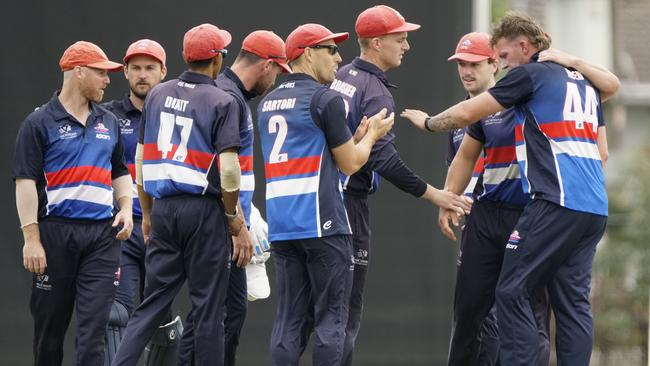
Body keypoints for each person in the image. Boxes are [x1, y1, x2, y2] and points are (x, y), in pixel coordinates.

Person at [402, 11, 619, 365]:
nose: (499, 64)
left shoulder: (529, 76)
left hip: (554, 202)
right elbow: (608, 117)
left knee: (512, 289)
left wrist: (427, 123)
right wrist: (574, 60)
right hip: (593, 207)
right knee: (573, 303)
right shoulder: (581, 83)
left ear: (524, 46)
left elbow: (465, 114)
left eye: (501, 56)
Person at [328, 6, 471, 364]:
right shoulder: (375, 92)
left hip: (324, 200)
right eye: (400, 38)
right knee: (344, 315)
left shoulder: (342, 74)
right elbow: (385, 161)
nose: (406, 46)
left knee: (318, 312)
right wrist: (434, 193)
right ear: (376, 43)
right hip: (349, 207)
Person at [258, 23, 394, 366]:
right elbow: (350, 164)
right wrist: (372, 135)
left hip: (283, 226)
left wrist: (359, 135)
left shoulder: (267, 101)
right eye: (330, 50)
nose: (338, 57)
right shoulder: (325, 99)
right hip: (324, 222)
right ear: (306, 54)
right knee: (332, 320)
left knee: (288, 321)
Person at [112, 23, 243, 366]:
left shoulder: (157, 94)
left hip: (164, 209)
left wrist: (149, 212)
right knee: (208, 310)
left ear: (185, 57)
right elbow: (229, 170)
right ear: (216, 60)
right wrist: (231, 215)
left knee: (150, 305)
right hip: (203, 211)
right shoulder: (222, 99)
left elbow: (141, 160)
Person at [12, 40, 133, 366]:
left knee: (95, 331)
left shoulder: (108, 121)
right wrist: (31, 239)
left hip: (101, 238)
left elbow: (119, 170)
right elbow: (24, 182)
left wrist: (125, 207)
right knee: (49, 333)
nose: (109, 80)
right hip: (55, 237)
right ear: (78, 72)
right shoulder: (38, 123)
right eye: (101, 73)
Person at [441, 31, 550, 366]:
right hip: (482, 218)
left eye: (473, 63)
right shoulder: (464, 120)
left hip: (530, 215)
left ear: (494, 63)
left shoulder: (529, 97)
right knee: (471, 312)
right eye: (460, 64)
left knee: (523, 310)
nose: (465, 71)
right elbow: (460, 163)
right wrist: (449, 199)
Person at [102, 39, 184, 366]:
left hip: (164, 230)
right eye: (135, 68)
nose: (142, 75)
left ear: (164, 71)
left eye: (150, 68)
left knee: (163, 321)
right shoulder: (106, 116)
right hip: (122, 230)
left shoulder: (181, 114)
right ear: (124, 72)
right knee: (117, 314)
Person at [214, 29, 290, 366]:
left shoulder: (230, 95)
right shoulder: (229, 99)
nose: (274, 80)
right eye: (277, 71)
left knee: (226, 313)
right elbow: (223, 170)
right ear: (266, 65)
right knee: (222, 315)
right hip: (222, 225)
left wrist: (249, 212)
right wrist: (237, 224)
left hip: (229, 220)